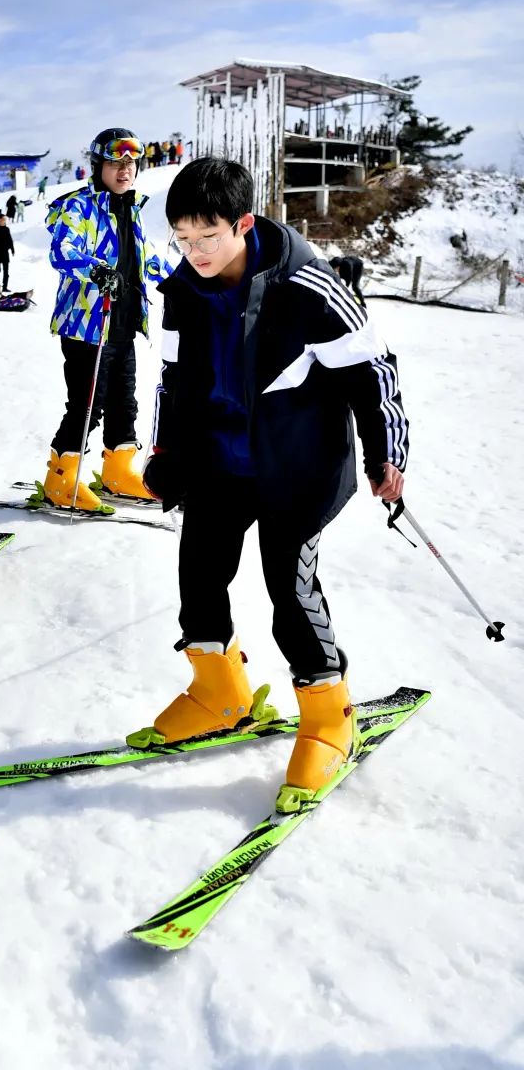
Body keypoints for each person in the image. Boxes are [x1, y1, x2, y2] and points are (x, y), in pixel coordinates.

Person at [127, 156, 408, 815]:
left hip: (298, 465)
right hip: (222, 461)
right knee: (198, 575)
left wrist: (386, 453)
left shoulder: (309, 284)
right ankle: (218, 692)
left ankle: (329, 714)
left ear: (244, 223)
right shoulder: (179, 294)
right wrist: (167, 452)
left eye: (208, 237)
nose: (194, 252)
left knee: (289, 584)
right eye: (182, 239)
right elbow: (173, 384)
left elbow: (373, 372)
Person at [39, 128, 170, 509]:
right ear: (99, 166)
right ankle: (60, 479)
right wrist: (97, 271)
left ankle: (118, 470)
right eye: (116, 162)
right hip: (86, 325)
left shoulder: (135, 208)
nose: (125, 169)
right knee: (86, 405)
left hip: (124, 323)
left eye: (131, 162)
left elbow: (148, 259)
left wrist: (184, 282)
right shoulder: (79, 206)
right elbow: (62, 252)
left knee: (123, 403)